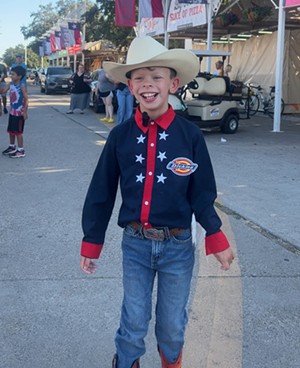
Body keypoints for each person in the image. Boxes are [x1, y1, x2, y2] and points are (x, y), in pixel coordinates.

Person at [80, 36, 234, 368]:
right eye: (139, 77)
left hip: (177, 246)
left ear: (173, 83)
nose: (148, 84)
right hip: (135, 244)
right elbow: (101, 191)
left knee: (172, 328)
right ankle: (127, 361)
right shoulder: (120, 136)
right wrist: (92, 240)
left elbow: (202, 191)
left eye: (156, 76)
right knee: (133, 322)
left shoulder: (189, 136)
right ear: (129, 86)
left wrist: (215, 234)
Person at [1, 66, 28, 158]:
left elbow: (26, 99)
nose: (11, 76)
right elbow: (3, 91)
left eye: (13, 74)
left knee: (18, 132)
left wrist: (25, 112)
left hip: (19, 113)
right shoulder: (10, 84)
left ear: (19, 76)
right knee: (11, 131)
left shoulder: (22, 85)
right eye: (11, 74)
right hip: (12, 112)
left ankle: (21, 150)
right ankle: (12, 146)